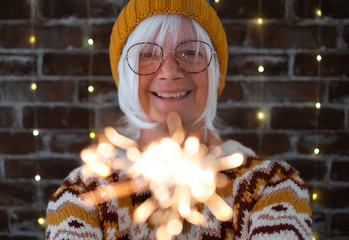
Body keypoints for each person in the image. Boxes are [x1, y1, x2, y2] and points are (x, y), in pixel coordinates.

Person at [45, 0, 312, 239]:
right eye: (148, 54)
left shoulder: (272, 185)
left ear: (214, 71)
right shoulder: (84, 193)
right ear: (125, 74)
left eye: (191, 52)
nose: (170, 72)